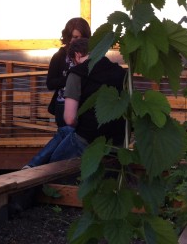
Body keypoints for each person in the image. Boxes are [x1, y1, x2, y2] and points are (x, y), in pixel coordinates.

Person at [24, 38, 126, 168]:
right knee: (64, 131)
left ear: (77, 54)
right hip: (117, 141)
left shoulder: (77, 73)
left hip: (88, 140)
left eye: (73, 61)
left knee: (53, 165)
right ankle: (30, 166)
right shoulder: (119, 71)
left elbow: (70, 119)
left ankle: (32, 171)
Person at [46, 17, 91, 128]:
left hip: (86, 104)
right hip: (63, 104)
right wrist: (71, 79)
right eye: (69, 36)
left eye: (76, 37)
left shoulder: (91, 54)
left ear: (85, 37)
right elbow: (50, 83)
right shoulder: (60, 55)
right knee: (67, 138)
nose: (71, 40)